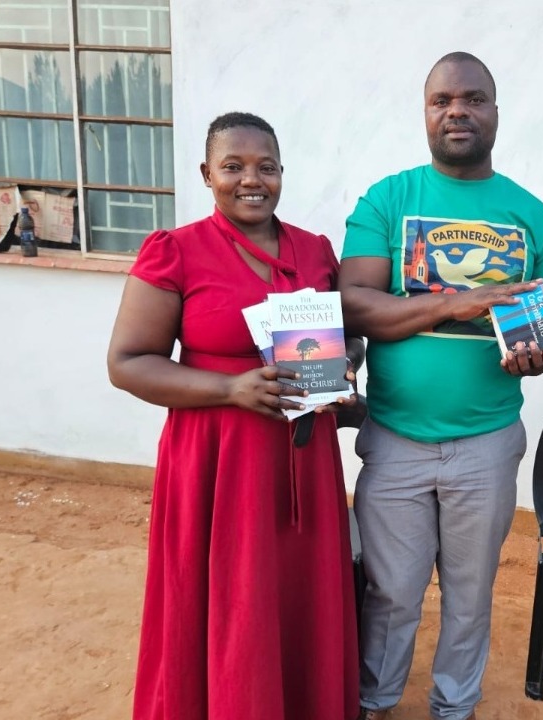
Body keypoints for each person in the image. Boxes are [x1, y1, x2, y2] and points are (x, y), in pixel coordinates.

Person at [338, 52, 543, 720]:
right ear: (425, 113)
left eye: (472, 98)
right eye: (442, 100)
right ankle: (376, 701)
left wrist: (533, 358)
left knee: (469, 597)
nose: (457, 111)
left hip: (486, 444)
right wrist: (456, 302)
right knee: (390, 592)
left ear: (494, 112)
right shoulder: (387, 199)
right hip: (395, 438)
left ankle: (454, 707)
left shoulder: (534, 218)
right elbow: (354, 305)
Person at [107, 111, 362, 720]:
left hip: (302, 455)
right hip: (217, 458)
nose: (253, 179)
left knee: (298, 591)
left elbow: (347, 337)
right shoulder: (176, 252)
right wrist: (231, 389)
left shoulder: (315, 250)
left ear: (281, 173)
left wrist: (343, 363)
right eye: (234, 166)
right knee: (228, 595)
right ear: (206, 174)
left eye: (266, 167)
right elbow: (127, 362)